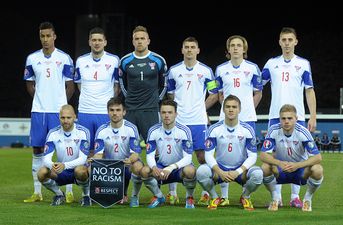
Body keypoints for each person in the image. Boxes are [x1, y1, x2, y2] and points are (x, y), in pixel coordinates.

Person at [261, 27, 317, 208]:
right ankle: (276, 197)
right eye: (283, 40)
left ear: (295, 41)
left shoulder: (303, 64)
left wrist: (313, 116)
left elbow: (309, 91)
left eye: (289, 40)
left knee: (297, 155)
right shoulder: (271, 63)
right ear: (279, 42)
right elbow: (256, 86)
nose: (286, 43)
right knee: (275, 156)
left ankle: (295, 197)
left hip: (298, 116)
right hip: (274, 116)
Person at [23, 21, 75, 203]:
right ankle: (37, 192)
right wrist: (40, 100)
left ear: (54, 36)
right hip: (38, 111)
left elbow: (70, 85)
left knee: (64, 151)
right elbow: (29, 83)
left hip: (57, 112)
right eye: (42, 36)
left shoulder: (65, 58)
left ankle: (69, 192)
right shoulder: (31, 59)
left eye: (48, 36)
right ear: (40, 37)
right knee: (37, 149)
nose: (45, 39)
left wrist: (62, 105)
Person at [167, 37, 217, 205]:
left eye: (192, 47)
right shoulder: (174, 71)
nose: (189, 50)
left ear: (198, 50)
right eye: (186, 47)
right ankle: (172, 193)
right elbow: (170, 95)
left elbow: (215, 94)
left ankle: (205, 192)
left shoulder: (206, 70)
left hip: (198, 122)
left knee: (203, 157)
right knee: (173, 156)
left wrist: (201, 108)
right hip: (179, 122)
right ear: (182, 50)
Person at [214, 35, 262, 206]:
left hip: (248, 119)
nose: (235, 48)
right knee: (224, 154)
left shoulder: (253, 68)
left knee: (245, 155)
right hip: (225, 119)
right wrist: (228, 112)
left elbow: (258, 92)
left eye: (239, 45)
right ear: (228, 50)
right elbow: (218, 94)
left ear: (244, 49)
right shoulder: (219, 69)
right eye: (232, 45)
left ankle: (245, 194)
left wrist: (247, 109)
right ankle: (224, 196)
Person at [196, 95, 263, 210]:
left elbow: (252, 156)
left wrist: (237, 172)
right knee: (201, 171)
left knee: (258, 174)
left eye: (234, 107)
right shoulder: (214, 129)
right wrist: (220, 171)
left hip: (240, 170)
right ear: (223, 109)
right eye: (227, 107)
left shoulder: (247, 129)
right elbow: (208, 155)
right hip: (220, 168)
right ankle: (214, 197)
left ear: (239, 109)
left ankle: (245, 197)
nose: (231, 109)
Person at [260, 104, 323, 212]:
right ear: (279, 119)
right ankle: (275, 198)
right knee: (265, 167)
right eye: (283, 118)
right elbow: (263, 155)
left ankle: (307, 199)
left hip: (300, 171)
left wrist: (297, 165)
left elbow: (318, 157)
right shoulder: (274, 130)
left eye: (290, 118)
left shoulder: (302, 131)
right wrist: (279, 163)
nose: (286, 121)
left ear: (296, 119)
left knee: (318, 169)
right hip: (281, 170)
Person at [138, 99, 197, 209]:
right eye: (163, 112)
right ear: (160, 113)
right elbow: (149, 155)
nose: (166, 115)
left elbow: (188, 158)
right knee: (145, 171)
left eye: (170, 112)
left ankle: (189, 198)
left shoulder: (184, 130)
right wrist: (154, 167)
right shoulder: (153, 130)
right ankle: (159, 196)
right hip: (162, 168)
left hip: (179, 169)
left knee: (190, 170)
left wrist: (171, 168)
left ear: (176, 114)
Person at [74, 27, 120, 157]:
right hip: (85, 111)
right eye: (94, 40)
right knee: (86, 151)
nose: (97, 43)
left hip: (104, 112)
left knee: (106, 150)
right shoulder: (81, 61)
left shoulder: (114, 60)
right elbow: (79, 85)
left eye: (100, 40)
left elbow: (117, 86)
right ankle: (87, 177)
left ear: (105, 42)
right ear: (89, 42)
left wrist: (109, 102)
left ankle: (103, 177)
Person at [118, 25, 167, 143]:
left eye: (142, 38)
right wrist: (129, 98)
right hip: (131, 109)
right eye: (137, 39)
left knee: (154, 146)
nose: (140, 41)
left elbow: (164, 85)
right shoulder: (125, 61)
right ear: (133, 41)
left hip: (150, 110)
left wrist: (156, 99)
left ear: (148, 41)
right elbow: (122, 84)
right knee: (126, 146)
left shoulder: (158, 60)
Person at [37, 105, 91, 206]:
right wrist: (53, 165)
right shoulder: (53, 133)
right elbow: (46, 158)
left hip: (77, 170)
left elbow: (83, 159)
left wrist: (64, 165)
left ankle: (86, 196)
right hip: (61, 171)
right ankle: (59, 194)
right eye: (63, 117)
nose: (65, 121)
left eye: (68, 117)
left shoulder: (83, 132)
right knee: (41, 172)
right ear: (59, 117)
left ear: (74, 117)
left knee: (81, 170)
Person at [92, 97, 143, 205]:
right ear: (108, 112)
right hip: (109, 168)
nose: (115, 113)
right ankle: (91, 196)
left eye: (118, 110)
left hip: (126, 164)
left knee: (137, 166)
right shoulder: (102, 130)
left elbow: (135, 154)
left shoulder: (131, 128)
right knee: (89, 167)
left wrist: (129, 160)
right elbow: (98, 155)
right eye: (112, 110)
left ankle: (134, 196)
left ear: (124, 112)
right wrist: (93, 161)